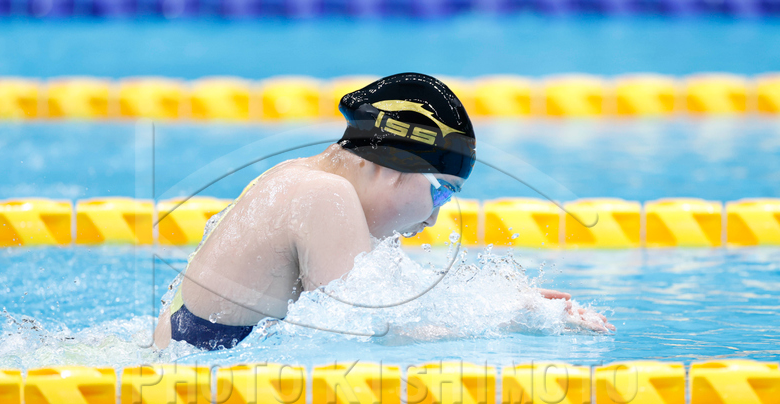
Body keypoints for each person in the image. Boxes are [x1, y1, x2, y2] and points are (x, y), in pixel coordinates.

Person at [153, 72, 613, 350]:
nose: (433, 218)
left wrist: (499, 300)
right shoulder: (325, 197)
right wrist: (511, 323)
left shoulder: (296, 176)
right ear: (394, 167)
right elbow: (360, 334)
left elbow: (386, 301)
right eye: (442, 193)